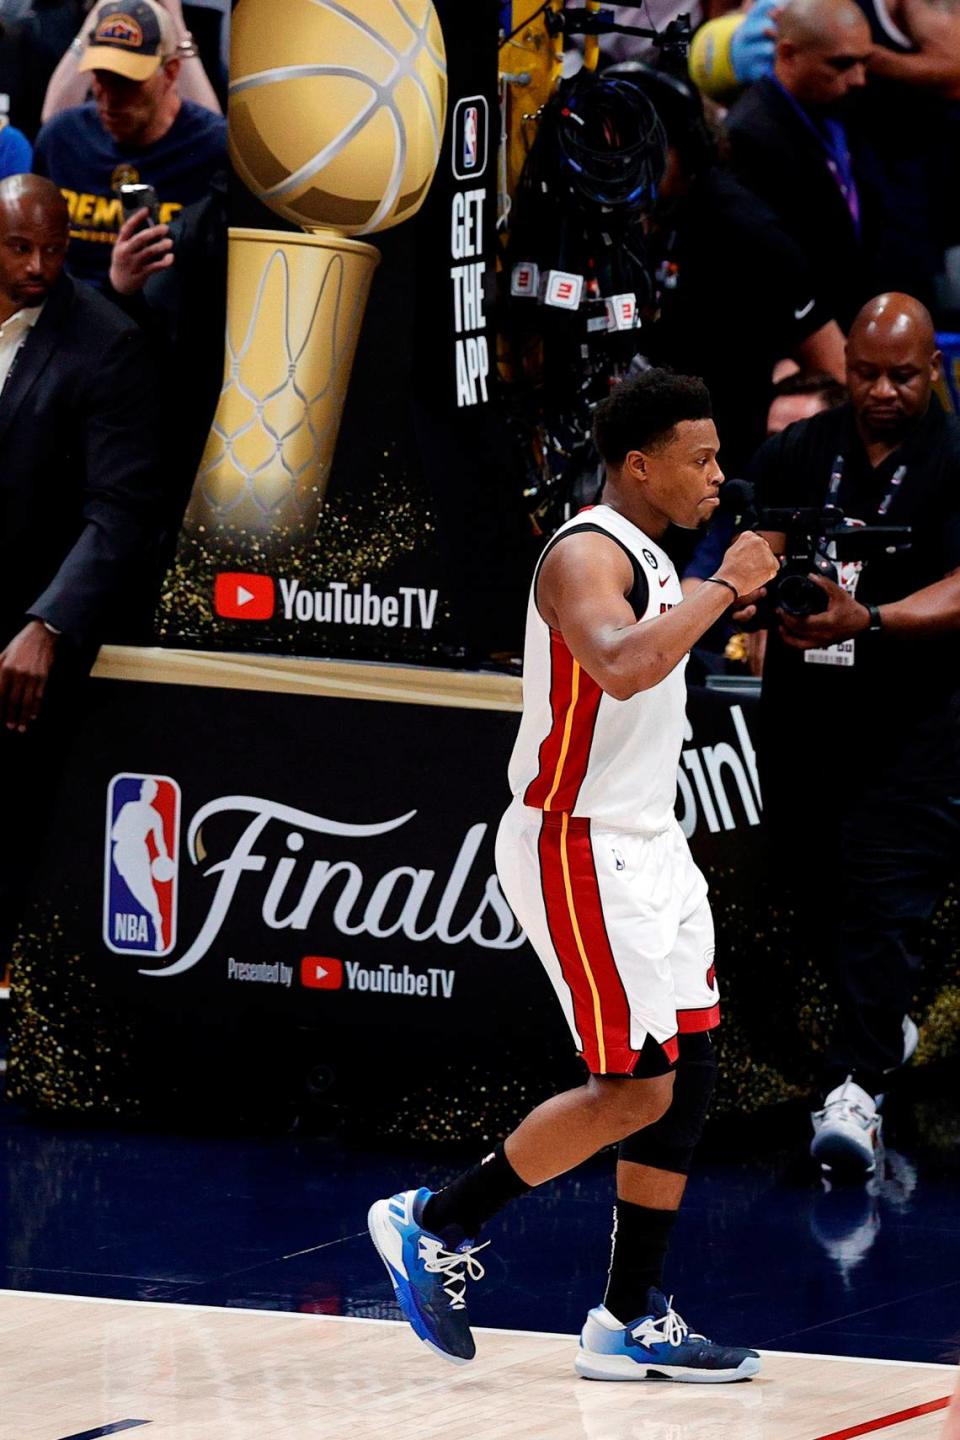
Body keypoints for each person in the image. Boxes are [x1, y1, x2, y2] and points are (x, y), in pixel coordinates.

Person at [368, 370, 779, 1377]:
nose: (720, 476)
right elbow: (619, 664)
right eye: (703, 458)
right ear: (640, 466)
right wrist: (729, 584)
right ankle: (430, 1220)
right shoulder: (586, 551)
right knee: (633, 1088)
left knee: (690, 1067)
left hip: (649, 839)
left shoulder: (654, 556)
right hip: (578, 844)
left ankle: (626, 1318)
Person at [742, 292, 960, 1176]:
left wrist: (866, 618)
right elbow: (751, 544)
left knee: (884, 896)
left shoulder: (955, 456)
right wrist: (752, 592)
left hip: (916, 731)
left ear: (935, 370)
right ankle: (885, 1030)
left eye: (901, 376)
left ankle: (856, 1090)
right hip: (804, 725)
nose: (879, 391)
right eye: (864, 373)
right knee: (813, 890)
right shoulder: (801, 449)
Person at [0, 173, 162, 973]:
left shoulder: (103, 340)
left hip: (25, 635)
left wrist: (47, 622)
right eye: (20, 247)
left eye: (54, 249)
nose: (38, 265)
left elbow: (119, 512)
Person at [32, 0, 225, 290]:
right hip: (69, 319)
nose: (110, 100)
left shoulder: (211, 148)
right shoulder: (63, 138)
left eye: (126, 82)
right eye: (100, 78)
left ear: (170, 72)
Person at [724, 0, 881, 330]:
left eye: (864, 62)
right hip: (798, 337)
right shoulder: (748, 135)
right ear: (788, 55)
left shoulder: (840, 108)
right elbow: (764, 265)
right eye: (842, 64)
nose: (859, 78)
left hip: (850, 316)